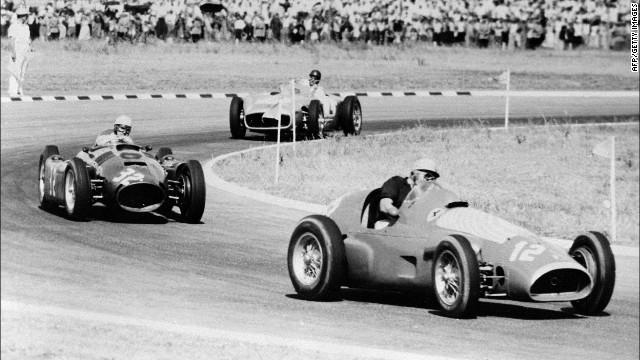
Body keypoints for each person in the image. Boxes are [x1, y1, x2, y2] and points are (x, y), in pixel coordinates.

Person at [377, 158, 440, 229]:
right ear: (414, 174)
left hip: (417, 228)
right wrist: (401, 216)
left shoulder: (430, 191)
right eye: (427, 175)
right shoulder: (397, 183)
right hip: (393, 226)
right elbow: (384, 206)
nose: (431, 180)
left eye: (433, 178)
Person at [7, 7, 32, 97]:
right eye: (27, 15)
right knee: (15, 71)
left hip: (25, 50)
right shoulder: (14, 26)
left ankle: (19, 90)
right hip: (17, 50)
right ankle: (12, 91)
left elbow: (28, 39)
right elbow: (11, 40)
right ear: (23, 16)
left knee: (22, 72)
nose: (27, 17)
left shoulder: (26, 27)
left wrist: (30, 48)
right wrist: (13, 52)